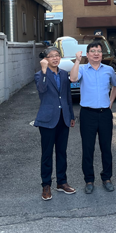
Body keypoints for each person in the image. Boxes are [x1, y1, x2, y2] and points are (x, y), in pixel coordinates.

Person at [70, 41, 116, 194]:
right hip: (87, 114)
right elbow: (73, 79)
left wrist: (111, 101)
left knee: (106, 147)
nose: (96, 53)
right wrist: (77, 61)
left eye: (98, 51)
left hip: (105, 114)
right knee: (88, 148)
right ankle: (89, 180)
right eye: (93, 51)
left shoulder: (109, 70)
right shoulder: (82, 69)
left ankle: (107, 178)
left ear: (102, 54)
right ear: (87, 54)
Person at [34, 46, 76, 201]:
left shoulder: (64, 74)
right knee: (47, 154)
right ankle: (46, 185)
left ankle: (62, 182)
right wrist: (44, 71)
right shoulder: (40, 75)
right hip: (47, 120)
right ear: (45, 59)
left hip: (63, 118)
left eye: (57, 55)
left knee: (61, 152)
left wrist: (71, 115)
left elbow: (67, 96)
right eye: (51, 56)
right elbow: (42, 89)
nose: (55, 58)